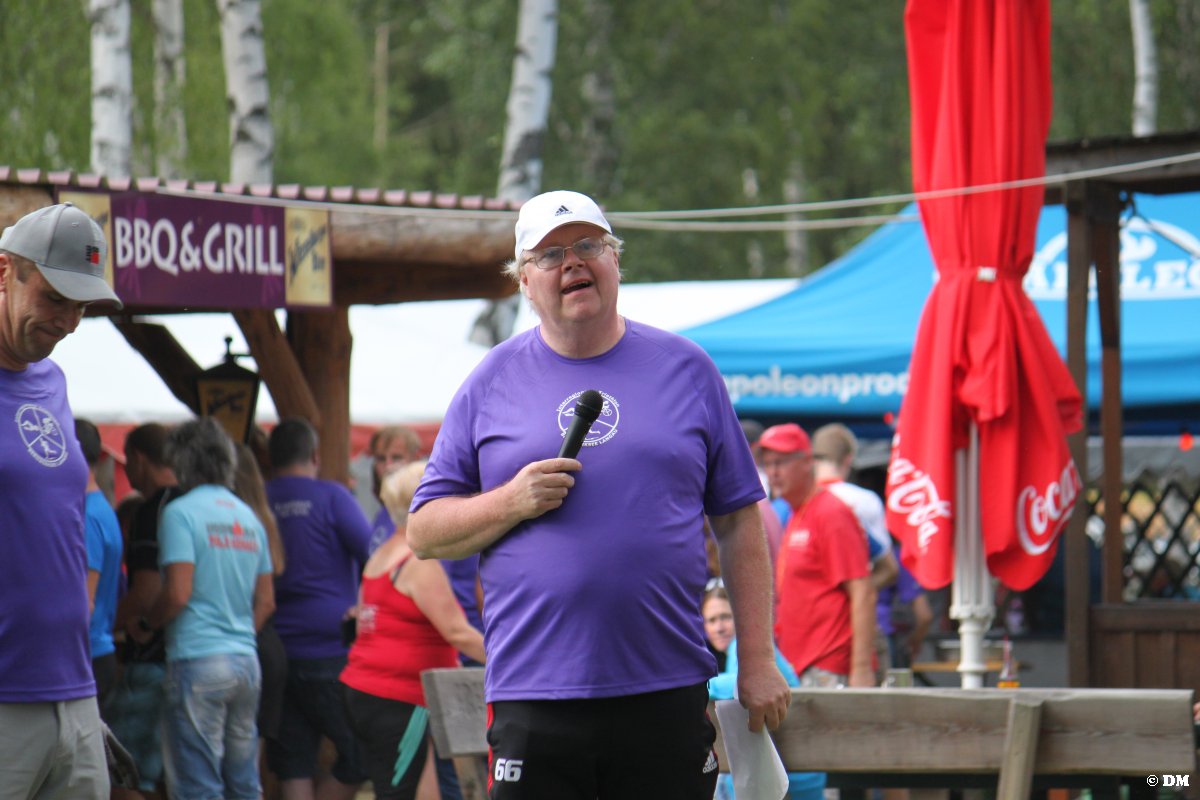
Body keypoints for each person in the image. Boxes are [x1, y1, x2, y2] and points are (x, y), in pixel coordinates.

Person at [407, 190, 790, 800]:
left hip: (664, 686)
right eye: (550, 254)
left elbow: (740, 521)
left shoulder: (687, 368)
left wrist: (758, 659)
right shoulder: (490, 381)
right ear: (524, 281)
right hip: (535, 692)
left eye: (588, 245)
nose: (573, 263)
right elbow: (424, 531)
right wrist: (510, 501)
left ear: (615, 260)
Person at [0, 202, 122, 799]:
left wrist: (79, 706)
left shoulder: (52, 380)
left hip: (73, 692)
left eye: (81, 306)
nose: (69, 322)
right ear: (5, 271)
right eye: (54, 298)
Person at [132, 417, 275, 800]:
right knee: (244, 784)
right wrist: (236, 636)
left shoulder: (180, 513)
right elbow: (266, 601)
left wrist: (147, 623)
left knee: (198, 786)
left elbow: (178, 593)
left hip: (197, 659)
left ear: (180, 461)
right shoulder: (249, 516)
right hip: (245, 662)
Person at [342, 461, 486, 799]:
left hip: (366, 687)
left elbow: (365, 620)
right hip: (397, 697)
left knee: (423, 788)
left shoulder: (383, 553)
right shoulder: (418, 562)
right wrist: (514, 663)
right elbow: (457, 632)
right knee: (399, 792)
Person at [266, 416, 372, 800]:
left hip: (276, 650)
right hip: (330, 649)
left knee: (293, 763)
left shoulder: (258, 499)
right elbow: (375, 556)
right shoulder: (332, 497)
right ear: (314, 455)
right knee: (363, 754)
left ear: (271, 458)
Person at [760, 423, 877, 688]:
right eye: (767, 464)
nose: (773, 472)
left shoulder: (830, 512)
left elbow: (863, 591)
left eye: (780, 462)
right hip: (805, 666)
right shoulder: (798, 512)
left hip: (828, 666)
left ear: (807, 462)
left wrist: (861, 669)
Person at [110, 422, 181, 799]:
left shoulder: (152, 510)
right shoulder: (193, 501)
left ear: (138, 458)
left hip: (152, 658)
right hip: (190, 654)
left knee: (126, 776)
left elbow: (146, 591)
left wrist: (109, 624)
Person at [702, 584, 822, 800]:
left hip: (787, 783)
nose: (719, 627)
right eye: (712, 620)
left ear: (741, 618)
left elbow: (742, 684)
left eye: (726, 617)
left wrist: (696, 683)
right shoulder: (746, 650)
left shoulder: (745, 648)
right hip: (804, 773)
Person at [232, 442, 289, 745]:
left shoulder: (237, 523)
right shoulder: (263, 521)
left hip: (247, 644)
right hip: (267, 646)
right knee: (252, 757)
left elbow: (266, 602)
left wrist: (236, 641)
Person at [76, 417, 124, 711]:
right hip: (99, 650)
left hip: (88, 654)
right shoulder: (102, 509)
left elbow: (86, 599)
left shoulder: (88, 515)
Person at [367, 425, 423, 553]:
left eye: (396, 458)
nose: (388, 466)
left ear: (415, 459)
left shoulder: (426, 509)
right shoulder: (384, 511)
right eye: (381, 459)